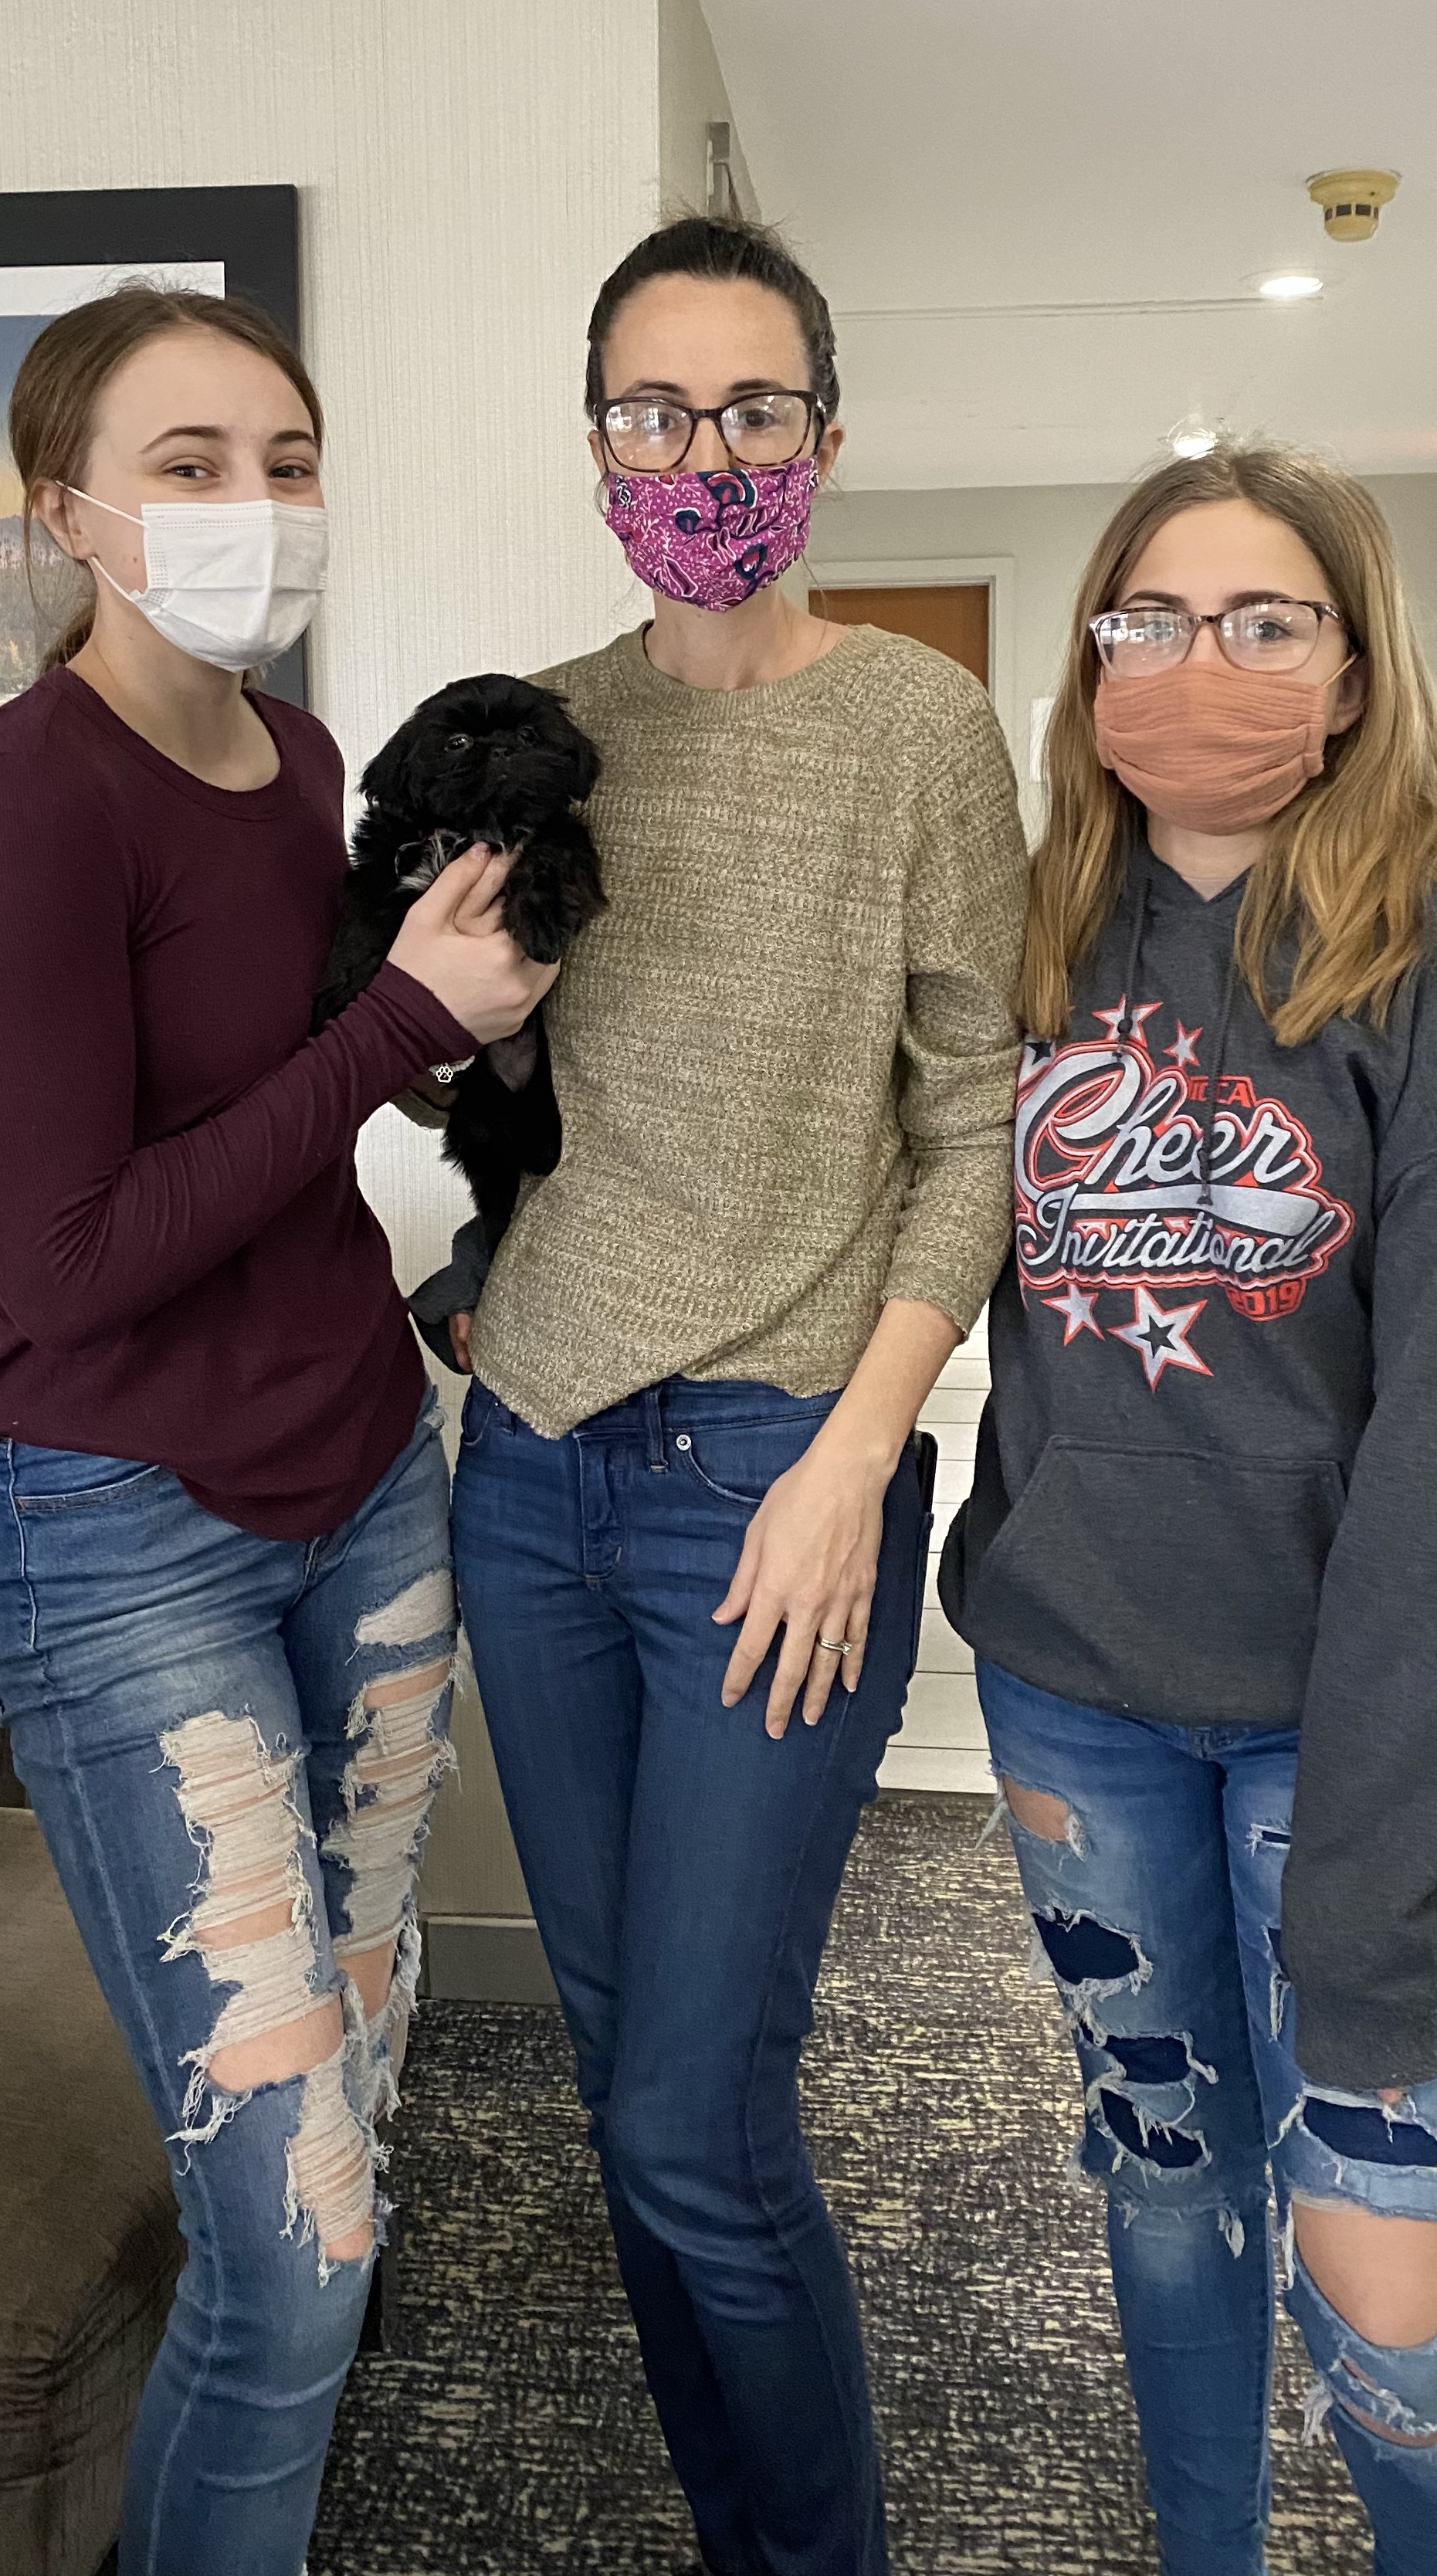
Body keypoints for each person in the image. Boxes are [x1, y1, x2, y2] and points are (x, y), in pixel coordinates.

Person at [0, 286, 553, 2576]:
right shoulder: (16, 803)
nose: (251, 505)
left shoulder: (296, 761)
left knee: (352, 2104)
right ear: (67, 511)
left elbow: (302, 1109)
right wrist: (393, 1029)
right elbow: (64, 1263)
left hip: (363, 1477)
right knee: (290, 2244)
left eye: (284, 458)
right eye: (187, 466)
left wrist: (464, 1038)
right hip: (120, 1525)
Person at [433, 215, 1028, 2576]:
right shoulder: (542, 733)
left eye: (752, 409)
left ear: (825, 439)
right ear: (594, 441)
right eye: (656, 411)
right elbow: (497, 1086)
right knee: (623, 2090)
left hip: (772, 1473)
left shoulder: (912, 728)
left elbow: (970, 1118)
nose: (704, 454)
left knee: (699, 2117)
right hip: (527, 1471)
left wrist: (854, 1460)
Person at [943, 439, 1437, 2576]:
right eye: (1147, 619)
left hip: (1350, 1735)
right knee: (1160, 2190)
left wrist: (1377, 1907)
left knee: (1384, 2292)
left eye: (1260, 621)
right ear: (1088, 657)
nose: (1195, 661)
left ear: (1351, 668)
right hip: (1076, 1699)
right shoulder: (1039, 938)